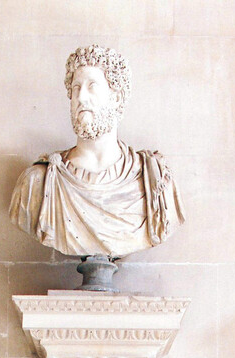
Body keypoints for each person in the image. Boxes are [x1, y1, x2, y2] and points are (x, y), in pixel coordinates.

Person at [9, 45, 183, 259]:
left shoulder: (153, 181)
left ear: (116, 98)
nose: (81, 97)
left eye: (92, 86)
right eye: (75, 89)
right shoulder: (38, 183)